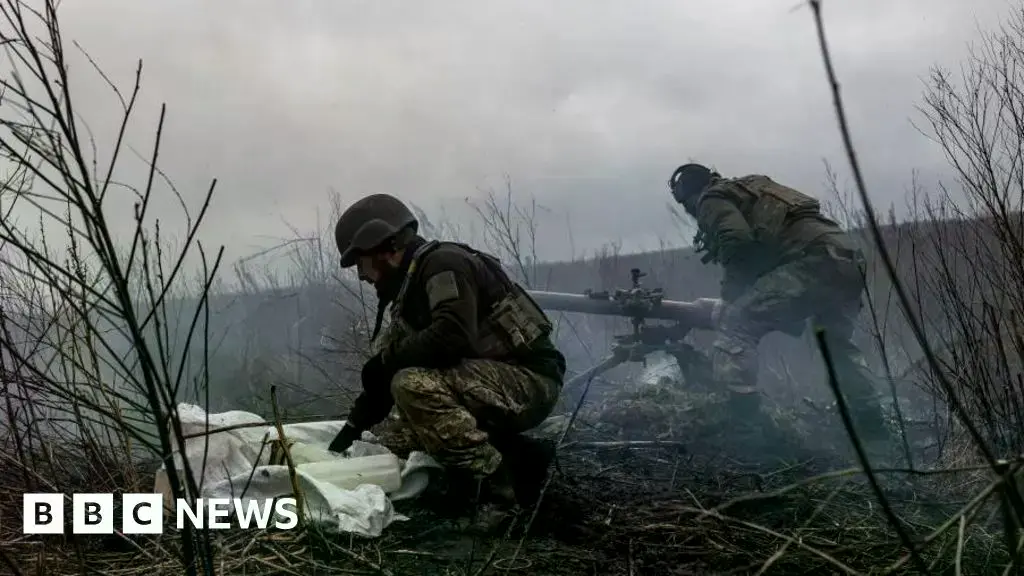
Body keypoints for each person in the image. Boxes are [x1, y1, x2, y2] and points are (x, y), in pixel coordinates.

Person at [327, 193, 566, 520]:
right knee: (398, 438)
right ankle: (522, 457)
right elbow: (382, 381)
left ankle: (498, 490)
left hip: (530, 382)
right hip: (493, 384)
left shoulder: (443, 264)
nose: (363, 276)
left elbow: (451, 335)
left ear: (384, 246)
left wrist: (388, 362)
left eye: (360, 263)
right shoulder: (410, 288)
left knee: (410, 385)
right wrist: (349, 432)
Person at [667, 163, 889, 442]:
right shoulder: (751, 185)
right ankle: (875, 431)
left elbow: (737, 241)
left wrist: (731, 295)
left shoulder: (711, 199)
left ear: (689, 197)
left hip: (813, 261)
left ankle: (745, 428)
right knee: (838, 350)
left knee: (737, 321)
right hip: (847, 260)